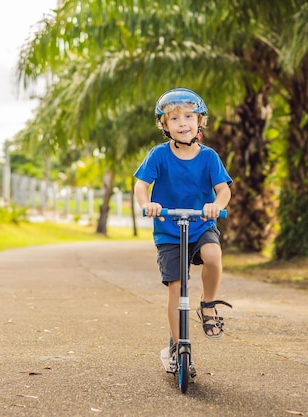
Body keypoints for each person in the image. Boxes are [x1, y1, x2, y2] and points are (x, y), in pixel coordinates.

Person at [133, 88, 233, 366]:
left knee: (213, 256)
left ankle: (209, 304)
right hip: (168, 230)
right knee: (176, 287)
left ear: (200, 121)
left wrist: (216, 204)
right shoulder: (158, 155)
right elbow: (142, 185)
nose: (182, 123)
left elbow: (223, 190)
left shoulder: (209, 157)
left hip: (201, 224)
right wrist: (148, 203)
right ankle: (178, 347)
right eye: (174, 119)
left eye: (189, 116)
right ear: (164, 126)